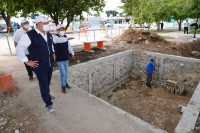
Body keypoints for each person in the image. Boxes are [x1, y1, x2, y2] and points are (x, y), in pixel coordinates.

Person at [16, 16, 55, 113]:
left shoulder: (48, 34)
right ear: (37, 23)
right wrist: (26, 61)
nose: (46, 25)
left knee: (48, 80)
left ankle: (47, 94)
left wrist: (53, 53)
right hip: (39, 65)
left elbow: (51, 45)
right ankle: (48, 104)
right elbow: (19, 48)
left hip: (49, 63)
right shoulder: (29, 35)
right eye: (43, 23)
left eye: (47, 23)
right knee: (43, 82)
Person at [53, 24, 75, 93]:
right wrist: (67, 39)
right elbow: (60, 40)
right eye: (60, 29)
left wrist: (72, 53)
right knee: (62, 72)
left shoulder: (65, 37)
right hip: (59, 58)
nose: (62, 31)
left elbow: (69, 46)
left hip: (66, 57)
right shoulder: (55, 37)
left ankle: (65, 83)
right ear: (57, 30)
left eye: (63, 29)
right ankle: (63, 85)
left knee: (66, 72)